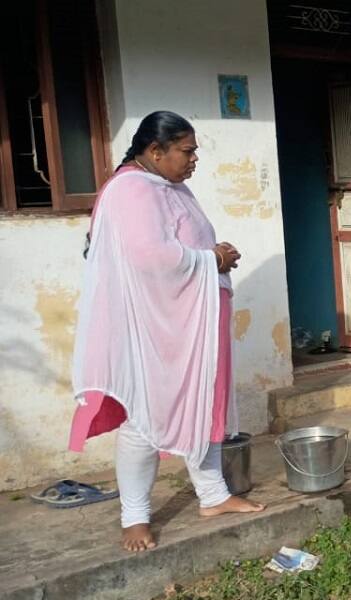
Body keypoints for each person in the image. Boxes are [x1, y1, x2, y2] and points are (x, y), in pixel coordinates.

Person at [70, 111, 265, 553]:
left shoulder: (169, 187)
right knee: (147, 414)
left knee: (205, 404)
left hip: (191, 320)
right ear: (155, 151)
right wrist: (211, 259)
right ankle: (134, 515)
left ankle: (213, 495)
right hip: (157, 328)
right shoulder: (132, 191)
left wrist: (214, 256)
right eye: (187, 150)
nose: (194, 159)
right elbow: (151, 257)